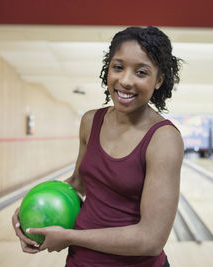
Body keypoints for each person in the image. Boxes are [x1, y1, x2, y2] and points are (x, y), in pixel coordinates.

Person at [12, 26, 184, 267]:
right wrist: (31, 211)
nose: (125, 80)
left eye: (141, 72)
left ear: (159, 80)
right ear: (107, 69)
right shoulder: (90, 121)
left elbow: (151, 239)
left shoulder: (164, 138)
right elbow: (77, 184)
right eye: (118, 67)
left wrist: (71, 236)